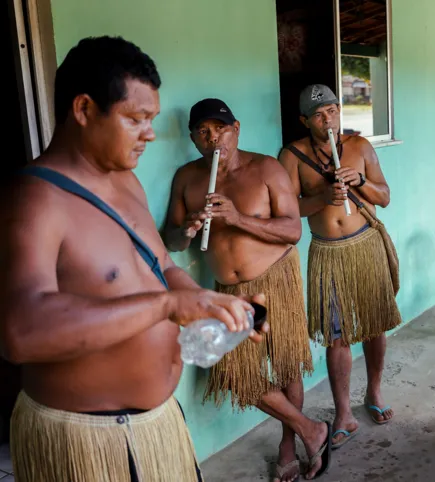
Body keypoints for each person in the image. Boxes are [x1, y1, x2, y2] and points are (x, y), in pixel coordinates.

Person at [0, 36, 268, 482]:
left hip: (157, 427)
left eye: (152, 119)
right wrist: (166, 307)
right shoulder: (33, 200)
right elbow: (21, 332)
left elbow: (162, 266)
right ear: (84, 110)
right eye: (136, 119)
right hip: (89, 443)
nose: (150, 133)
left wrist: (212, 305)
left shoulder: (125, 181)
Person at [163, 98, 332, 481]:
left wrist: (237, 218)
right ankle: (311, 429)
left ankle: (288, 446)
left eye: (220, 129)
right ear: (193, 139)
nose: (213, 139)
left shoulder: (266, 169)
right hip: (229, 290)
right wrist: (186, 228)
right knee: (236, 375)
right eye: (203, 133)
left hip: (274, 278)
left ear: (236, 129)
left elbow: (293, 230)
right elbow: (170, 242)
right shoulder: (187, 178)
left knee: (286, 363)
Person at [279, 84, 402, 450]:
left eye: (332, 110)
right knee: (338, 333)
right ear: (305, 121)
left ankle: (374, 393)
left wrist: (359, 181)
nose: (327, 119)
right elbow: (287, 210)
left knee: (376, 323)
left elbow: (385, 196)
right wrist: (321, 198)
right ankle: (343, 412)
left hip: (364, 245)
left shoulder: (360, 147)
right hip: (328, 252)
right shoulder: (292, 156)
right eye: (318, 115)